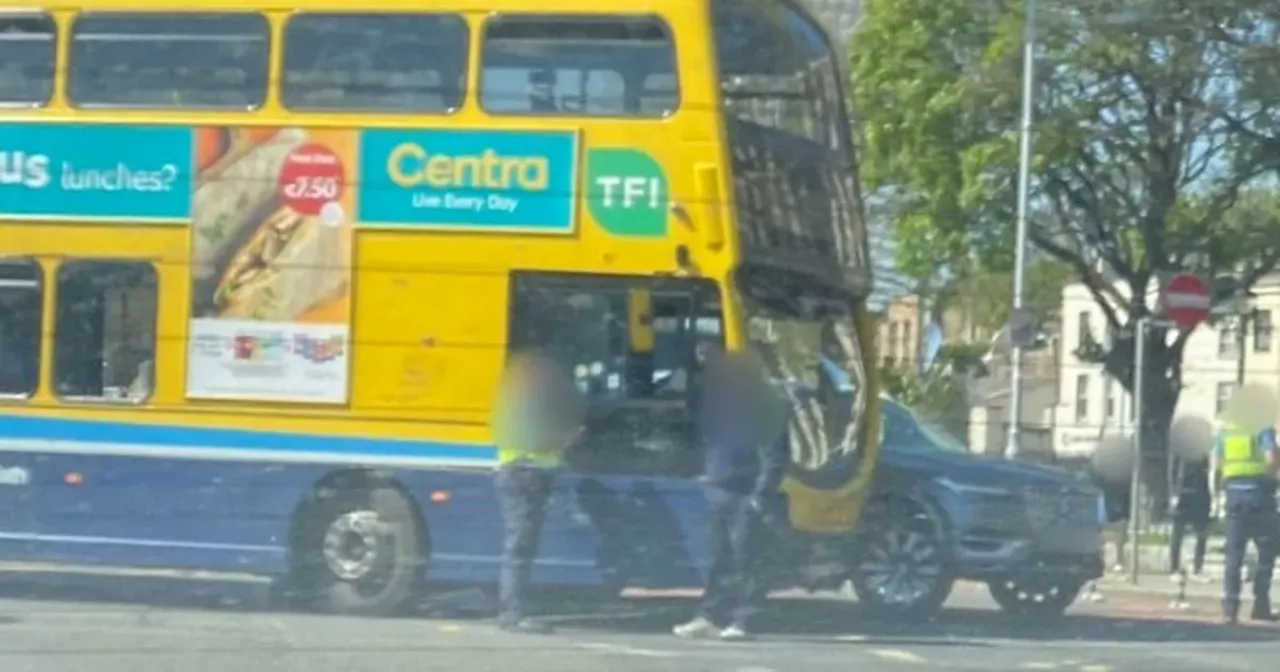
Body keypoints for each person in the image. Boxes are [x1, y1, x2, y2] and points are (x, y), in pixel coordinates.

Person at [673, 350, 788, 641]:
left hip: (747, 493)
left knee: (746, 559)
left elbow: (775, 455)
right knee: (720, 558)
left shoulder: (765, 406)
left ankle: (746, 621)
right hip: (722, 489)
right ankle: (710, 616)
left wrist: (759, 495)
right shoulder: (725, 405)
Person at [492, 351, 584, 634]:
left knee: (521, 545)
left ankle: (514, 610)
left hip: (520, 472)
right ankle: (512, 614)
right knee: (520, 546)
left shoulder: (513, 397)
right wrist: (567, 438)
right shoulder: (527, 402)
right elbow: (535, 440)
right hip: (527, 473)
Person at [1211, 415, 1279, 624]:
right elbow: (1271, 459)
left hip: (1233, 496)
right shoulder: (1262, 427)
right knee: (1267, 550)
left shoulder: (1226, 431)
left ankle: (1230, 609)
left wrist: (1216, 493)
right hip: (1260, 496)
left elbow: (1216, 464)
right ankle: (1261, 604)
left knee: (1234, 555)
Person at [1169, 454, 1212, 582]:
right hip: (1183, 494)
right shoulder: (1181, 450)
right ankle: (1174, 568)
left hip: (1199, 493)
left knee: (1201, 534)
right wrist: (1173, 493)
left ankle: (1197, 568)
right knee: (1178, 534)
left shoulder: (1200, 450)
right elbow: (1172, 472)